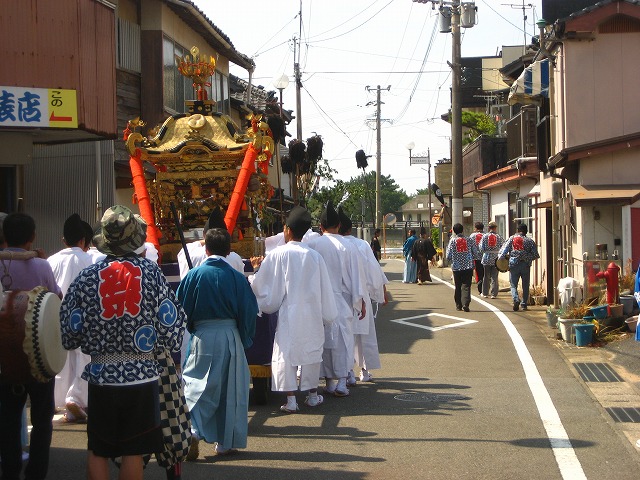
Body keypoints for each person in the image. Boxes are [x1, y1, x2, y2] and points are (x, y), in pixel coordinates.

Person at [60, 205, 186, 480]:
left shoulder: (86, 278)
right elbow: (173, 328)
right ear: (135, 239)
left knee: (97, 449)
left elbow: (69, 333)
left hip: (101, 375)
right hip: (141, 375)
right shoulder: (151, 275)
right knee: (133, 450)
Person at [177, 227, 258, 460]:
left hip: (203, 335)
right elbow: (249, 310)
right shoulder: (235, 277)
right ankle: (224, 443)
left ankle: (193, 430)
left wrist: (195, 328)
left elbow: (181, 308)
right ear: (229, 249)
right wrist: (243, 337)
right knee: (230, 390)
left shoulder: (194, 275)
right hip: (230, 335)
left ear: (206, 247)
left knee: (196, 385)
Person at [250, 206, 338, 412]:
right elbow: (325, 287)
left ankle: (291, 400)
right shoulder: (314, 256)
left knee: (286, 353)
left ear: (287, 230)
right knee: (312, 350)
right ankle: (313, 395)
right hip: (312, 313)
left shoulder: (278, 254)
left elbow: (266, 287)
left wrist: (255, 273)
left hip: (289, 312)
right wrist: (328, 314)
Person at [0, 213, 62, 480]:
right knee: (42, 417)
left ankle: (10, 470)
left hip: (6, 354)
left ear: (4, 237)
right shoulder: (40, 265)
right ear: (32, 237)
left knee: (9, 417)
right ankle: (37, 472)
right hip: (39, 354)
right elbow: (55, 298)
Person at [308, 201, 365, 397]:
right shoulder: (348, 246)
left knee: (323, 341)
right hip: (342, 299)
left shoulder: (313, 244)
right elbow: (357, 277)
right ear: (338, 225)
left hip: (319, 300)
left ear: (321, 227)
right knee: (343, 340)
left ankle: (329, 381)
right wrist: (360, 300)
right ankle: (342, 381)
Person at [48, 214, 94, 423]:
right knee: (84, 359)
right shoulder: (91, 259)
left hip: (58, 315)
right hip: (85, 316)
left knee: (61, 360)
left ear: (63, 240)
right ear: (83, 240)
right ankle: (76, 398)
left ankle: (62, 401)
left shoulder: (51, 261)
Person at [338, 209, 387, 384]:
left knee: (346, 335)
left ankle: (348, 371)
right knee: (363, 335)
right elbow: (374, 271)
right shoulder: (361, 245)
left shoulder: (335, 244)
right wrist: (380, 293)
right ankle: (364, 372)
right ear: (350, 229)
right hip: (362, 294)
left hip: (341, 296)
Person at [498, 223, 540, 311]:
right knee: (525, 285)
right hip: (525, 265)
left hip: (513, 264)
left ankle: (516, 299)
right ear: (526, 231)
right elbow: (535, 255)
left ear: (517, 230)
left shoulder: (512, 238)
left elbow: (504, 250)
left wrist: (501, 260)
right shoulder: (529, 241)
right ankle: (524, 304)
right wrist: (527, 257)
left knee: (513, 285)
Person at [446, 223, 477, 312]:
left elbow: (448, 255)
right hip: (468, 266)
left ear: (454, 231)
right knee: (466, 285)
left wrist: (451, 260)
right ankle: (465, 304)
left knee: (458, 286)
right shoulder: (469, 239)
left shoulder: (452, 241)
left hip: (456, 267)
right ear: (462, 230)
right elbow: (475, 251)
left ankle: (458, 305)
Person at [479, 221, 503, 299]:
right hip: (496, 259)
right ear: (495, 228)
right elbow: (503, 247)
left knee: (486, 276)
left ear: (489, 228)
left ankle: (485, 293)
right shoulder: (499, 237)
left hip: (486, 258)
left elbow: (481, 248)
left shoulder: (485, 236)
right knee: (494, 277)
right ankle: (493, 294)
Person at [469, 222, 485, 294]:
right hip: (485, 257)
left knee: (478, 273)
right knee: (485, 273)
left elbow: (469, 246)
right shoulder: (485, 235)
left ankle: (480, 287)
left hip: (476, 257)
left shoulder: (472, 236)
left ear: (475, 228)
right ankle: (485, 288)